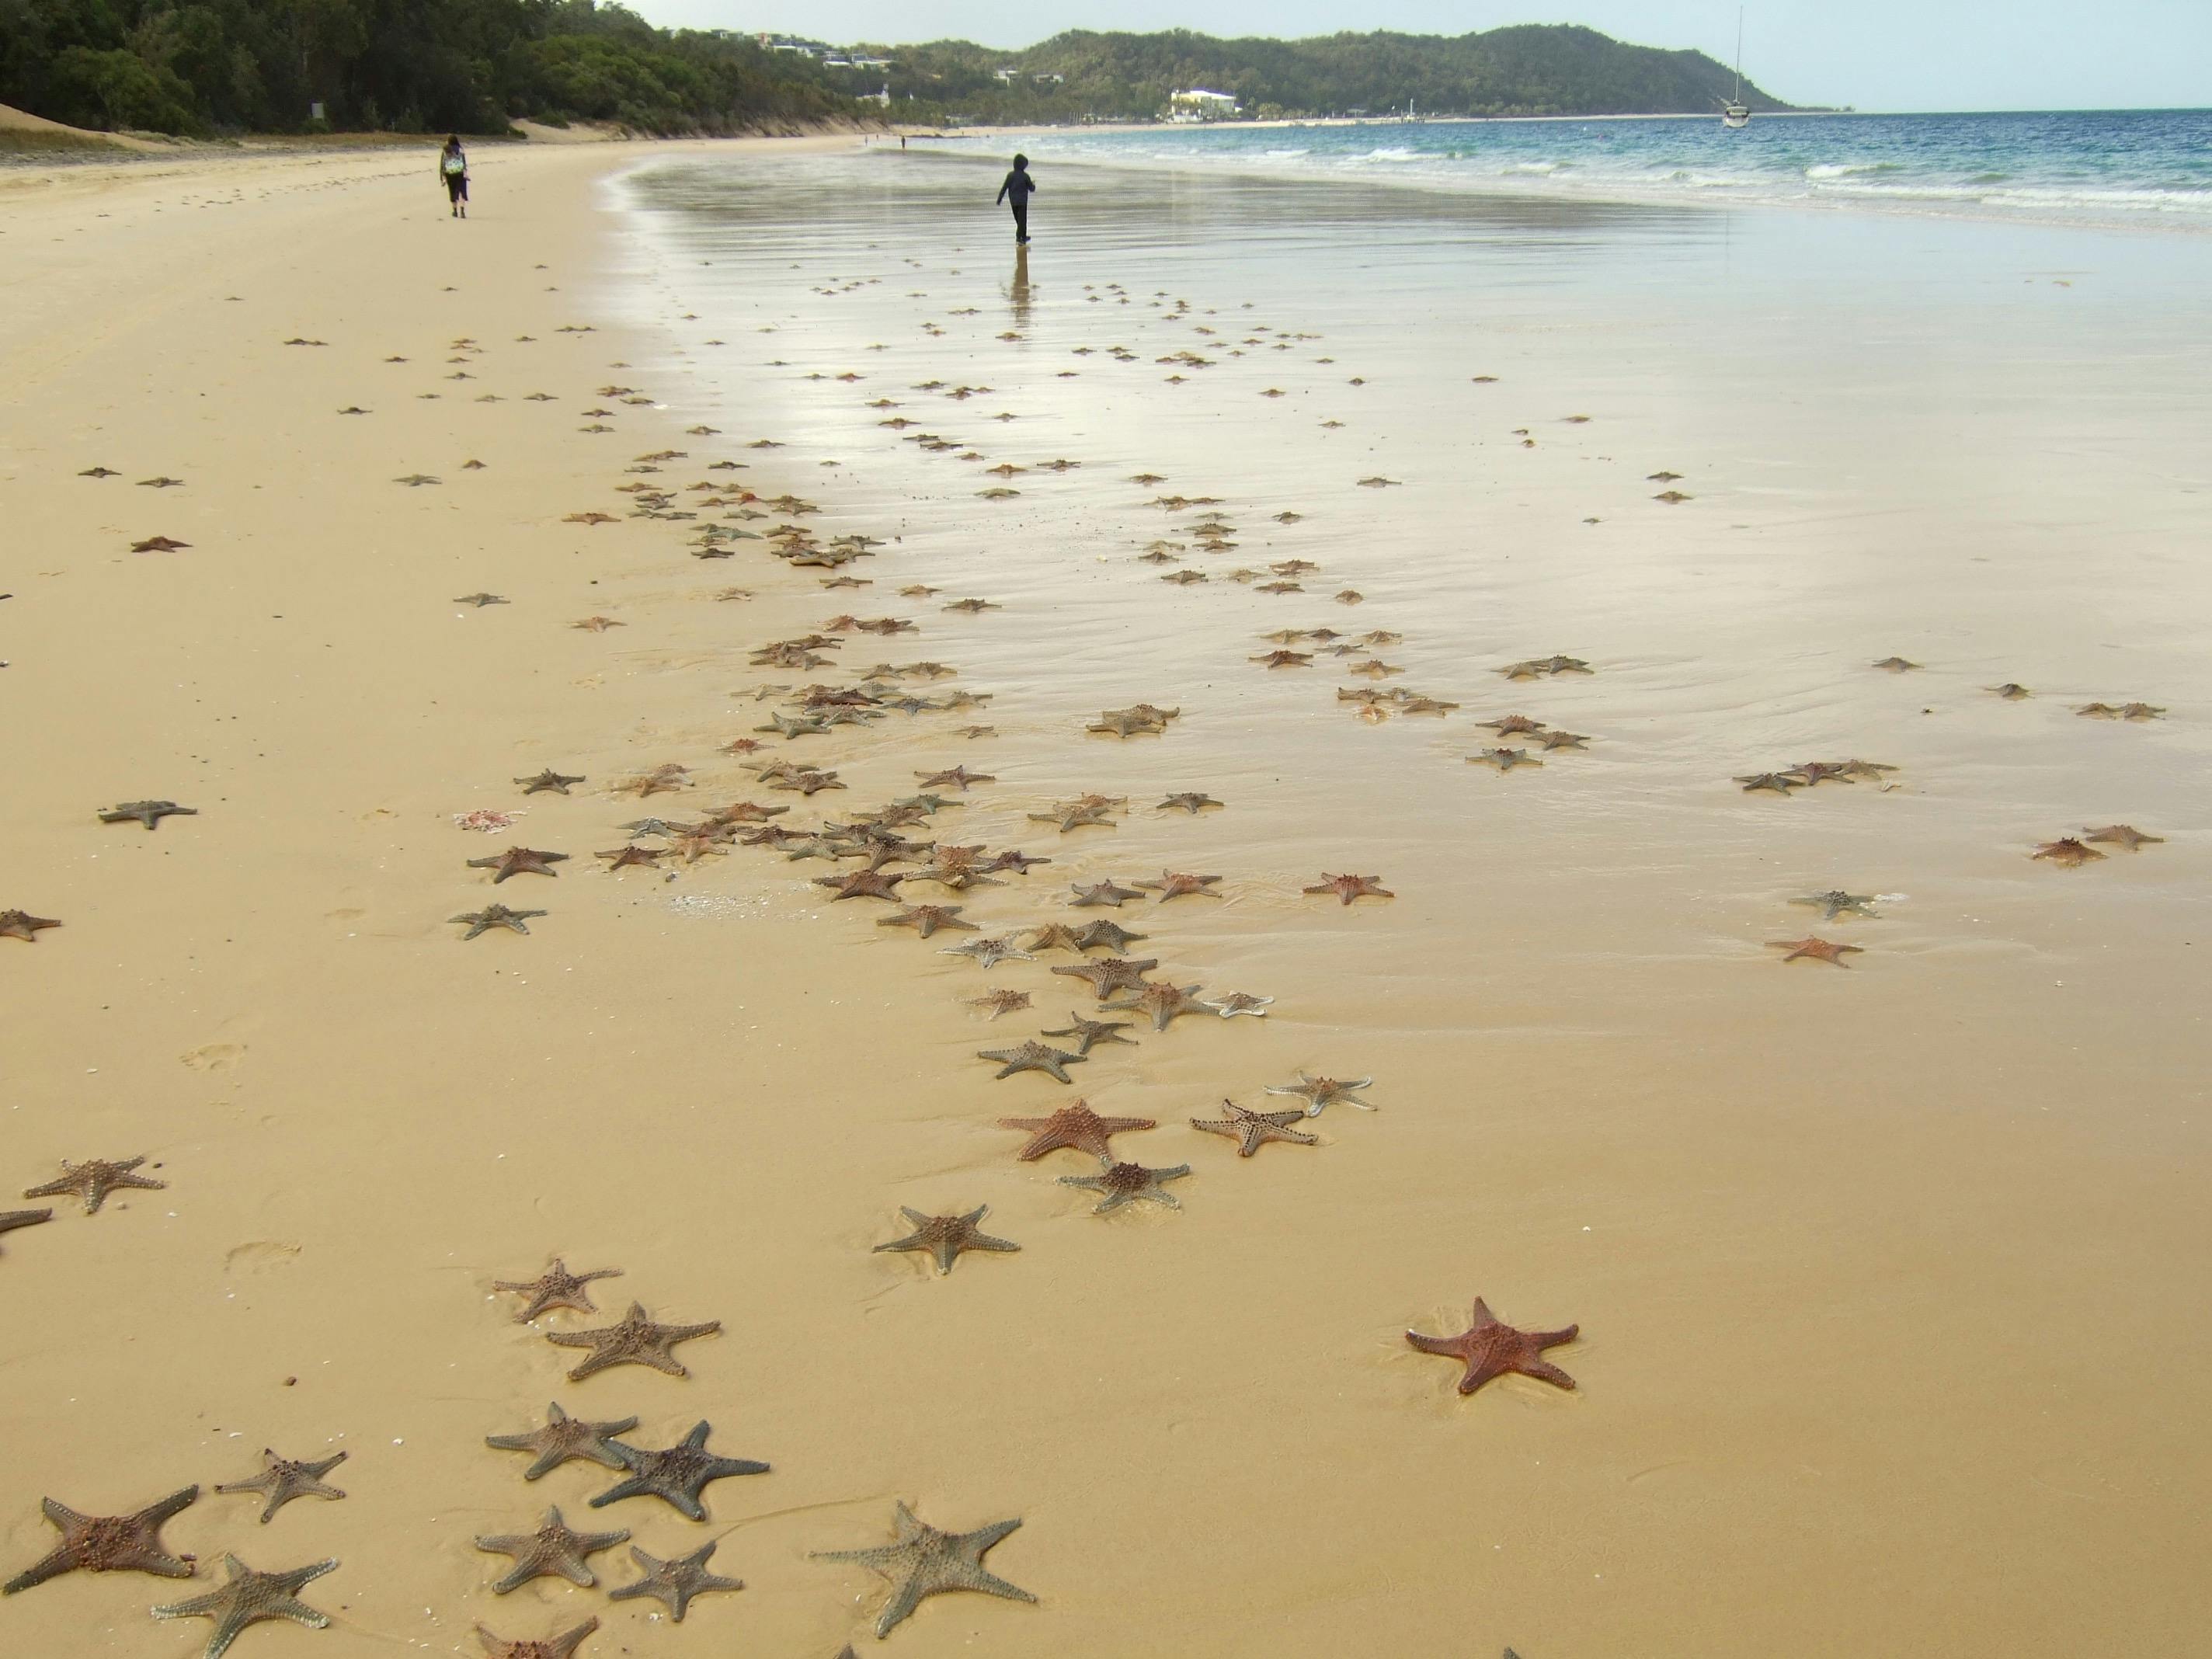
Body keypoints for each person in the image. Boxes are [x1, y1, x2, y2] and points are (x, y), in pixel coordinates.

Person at [995, 154, 1035, 244]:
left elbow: (1004, 188)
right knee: (1023, 221)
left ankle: (1023, 237)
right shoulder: (1026, 176)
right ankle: (1019, 237)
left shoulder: (1010, 176)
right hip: (1022, 202)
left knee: (1018, 220)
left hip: (1013, 201)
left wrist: (999, 199)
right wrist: (1034, 185)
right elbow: (1031, 189)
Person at [439, 135, 469, 219]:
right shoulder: (460, 149)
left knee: (452, 192)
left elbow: (442, 165)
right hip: (460, 173)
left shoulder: (445, 150)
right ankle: (462, 211)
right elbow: (463, 162)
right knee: (462, 192)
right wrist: (465, 172)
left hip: (450, 174)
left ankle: (455, 211)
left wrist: (442, 177)